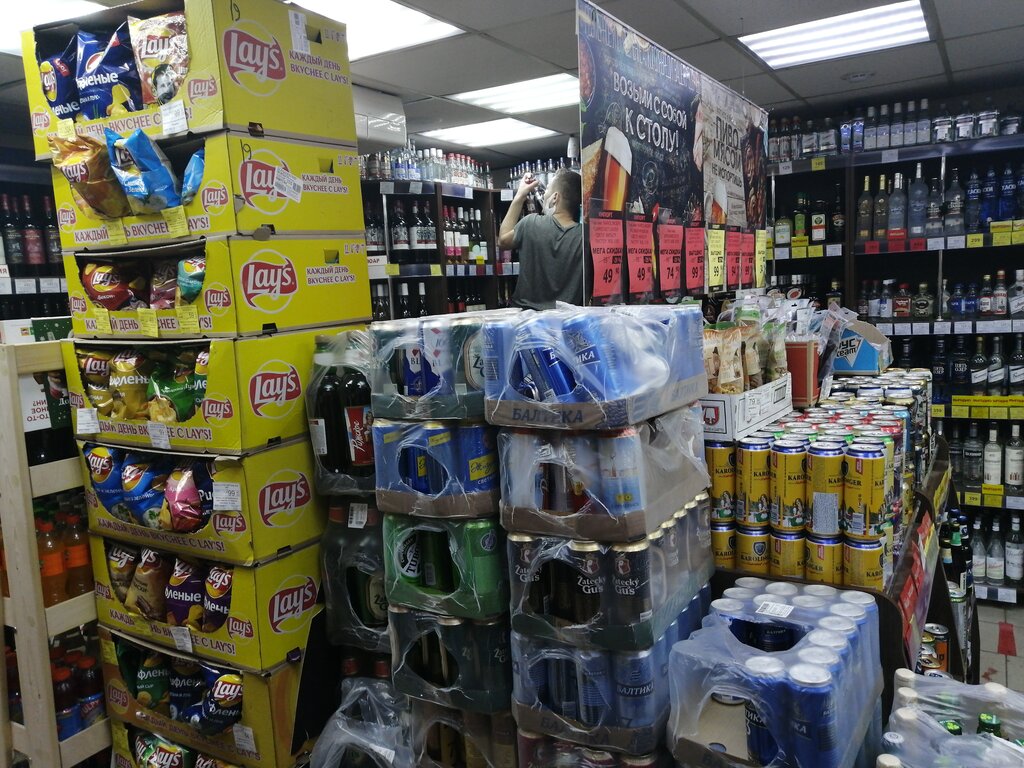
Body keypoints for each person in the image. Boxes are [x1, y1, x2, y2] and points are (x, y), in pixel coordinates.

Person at [498, 168, 585, 310]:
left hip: (526, 319)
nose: (544, 195)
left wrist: (520, 195)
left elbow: (502, 240)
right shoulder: (585, 237)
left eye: (547, 190)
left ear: (555, 198)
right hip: (568, 320)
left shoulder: (530, 223)